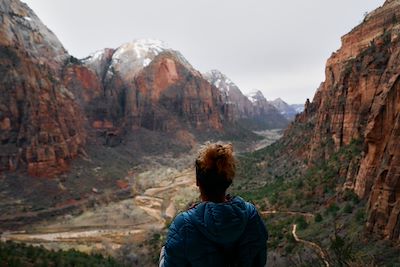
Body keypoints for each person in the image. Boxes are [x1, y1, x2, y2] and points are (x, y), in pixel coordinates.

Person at [159, 142, 268, 267]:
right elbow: (260, 261)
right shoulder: (251, 215)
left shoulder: (183, 225)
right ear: (229, 180)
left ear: (197, 181)